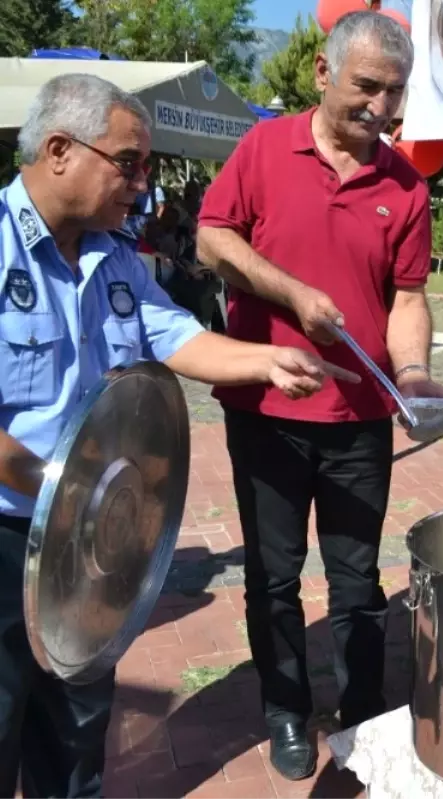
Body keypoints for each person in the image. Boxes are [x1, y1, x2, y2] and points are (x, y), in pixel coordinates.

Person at [0, 73, 353, 799]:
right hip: (13, 532)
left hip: (87, 537)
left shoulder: (116, 258)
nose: (142, 182)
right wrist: (60, 491)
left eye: (148, 166)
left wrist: (266, 360)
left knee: (76, 731)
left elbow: (177, 337)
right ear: (61, 149)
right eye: (129, 162)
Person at [196, 12, 443, 782]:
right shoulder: (265, 148)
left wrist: (410, 374)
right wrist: (292, 293)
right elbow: (213, 239)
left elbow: (408, 298)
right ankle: (285, 708)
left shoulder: (405, 185)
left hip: (359, 423)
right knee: (273, 577)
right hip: (264, 412)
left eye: (394, 92)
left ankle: (366, 711)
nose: (380, 107)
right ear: (322, 75)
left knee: (357, 581)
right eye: (365, 87)